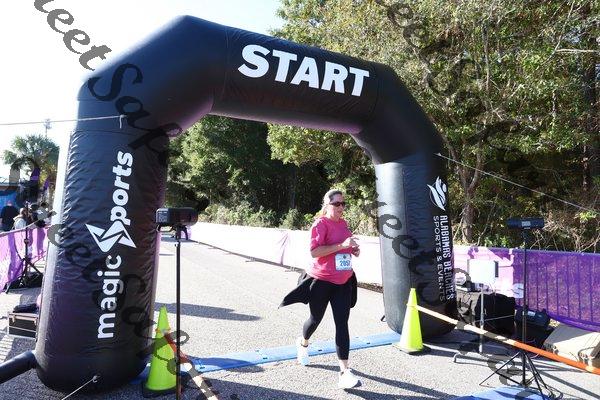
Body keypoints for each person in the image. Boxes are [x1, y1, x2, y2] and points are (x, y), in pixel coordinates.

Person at [280, 189, 361, 389]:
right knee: (315, 320)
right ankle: (303, 342)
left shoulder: (344, 224)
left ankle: (344, 371)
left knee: (342, 324)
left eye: (343, 203)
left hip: (343, 281)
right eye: (337, 204)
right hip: (322, 281)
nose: (341, 207)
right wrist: (341, 245)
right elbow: (315, 252)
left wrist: (353, 249)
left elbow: (344, 248)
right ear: (327, 205)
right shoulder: (320, 224)